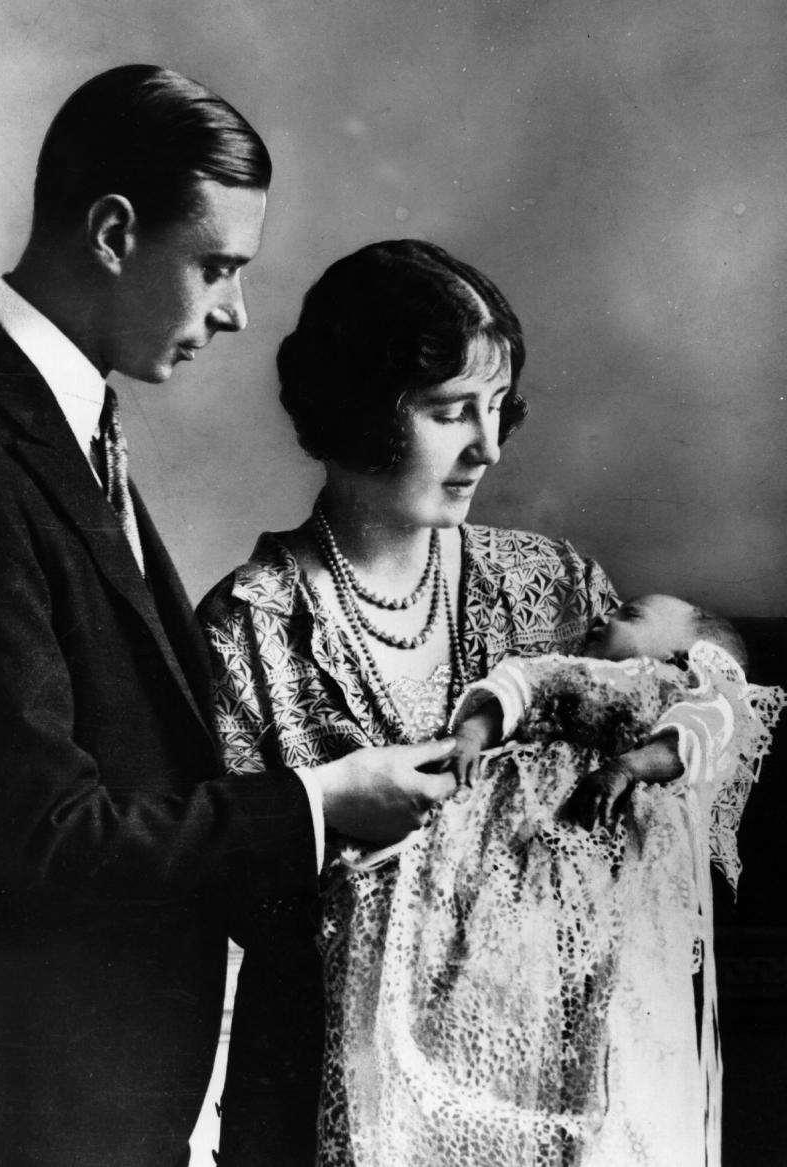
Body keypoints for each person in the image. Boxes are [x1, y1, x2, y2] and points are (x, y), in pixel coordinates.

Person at [0, 68, 457, 1167]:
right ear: (114, 232)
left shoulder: (50, 426)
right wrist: (318, 803)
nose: (235, 311)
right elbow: (48, 835)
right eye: (216, 267)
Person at [198, 239, 652, 1163]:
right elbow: (225, 912)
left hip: (534, 1097)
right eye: (452, 413)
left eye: (497, 409)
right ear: (363, 413)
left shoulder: (558, 590)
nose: (488, 446)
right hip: (324, 1102)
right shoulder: (249, 629)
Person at [336, 594, 784, 1166]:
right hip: (517, 829)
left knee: (607, 993)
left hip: (613, 839)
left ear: (682, 653)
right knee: (495, 944)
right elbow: (513, 689)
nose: (603, 617)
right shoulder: (567, 670)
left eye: (631, 615)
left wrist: (624, 768)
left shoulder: (688, 691)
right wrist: (474, 735)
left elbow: (687, 744)